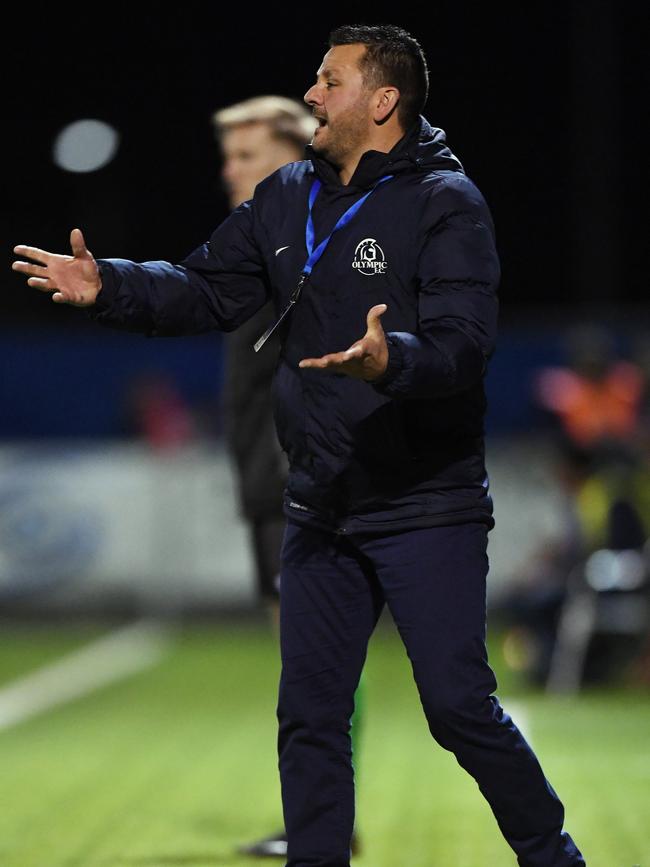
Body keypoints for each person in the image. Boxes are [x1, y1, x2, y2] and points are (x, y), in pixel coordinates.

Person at [12, 23, 586, 867]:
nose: (311, 95)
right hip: (321, 502)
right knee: (310, 712)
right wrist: (111, 286)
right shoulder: (287, 194)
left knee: (458, 705)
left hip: (424, 502)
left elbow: (466, 343)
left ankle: (551, 853)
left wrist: (395, 360)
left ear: (382, 101)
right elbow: (205, 288)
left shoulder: (445, 203)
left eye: (330, 81)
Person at [213, 95, 361, 859]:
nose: (229, 171)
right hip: (265, 479)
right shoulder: (261, 239)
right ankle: (321, 817)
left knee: (313, 661)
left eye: (245, 156)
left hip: (293, 480)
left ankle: (323, 822)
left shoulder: (307, 237)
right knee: (306, 659)